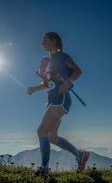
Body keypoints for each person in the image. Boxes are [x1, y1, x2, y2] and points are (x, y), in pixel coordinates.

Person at [27, 32, 90, 177]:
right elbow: (47, 85)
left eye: (45, 41)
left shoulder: (62, 57)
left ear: (53, 41)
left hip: (60, 100)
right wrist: (33, 89)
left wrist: (68, 83)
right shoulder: (49, 61)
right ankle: (80, 155)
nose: (42, 44)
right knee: (52, 137)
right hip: (55, 101)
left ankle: (44, 170)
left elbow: (78, 71)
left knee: (41, 131)